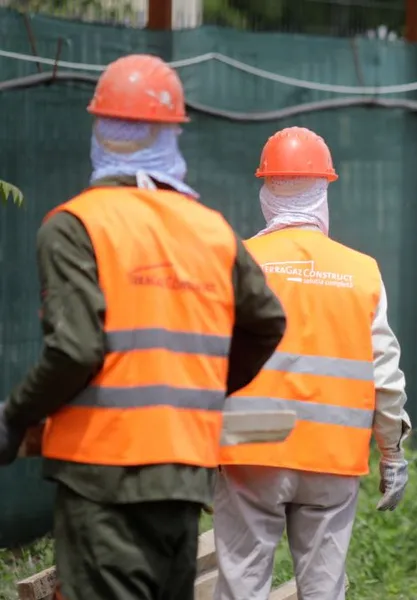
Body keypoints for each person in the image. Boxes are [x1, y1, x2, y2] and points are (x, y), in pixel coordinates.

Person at [0, 54, 287, 600]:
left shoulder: (75, 225)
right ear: (172, 135)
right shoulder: (211, 230)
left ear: (100, 130)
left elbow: (75, 349)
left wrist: (13, 418)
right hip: (182, 475)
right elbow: (267, 322)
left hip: (101, 480)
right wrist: (198, 388)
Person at [213, 126, 412, 600]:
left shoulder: (234, 261)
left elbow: (206, 362)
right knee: (324, 589)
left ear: (267, 192)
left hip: (250, 450)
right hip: (333, 453)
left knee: (242, 585)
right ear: (323, 191)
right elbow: (383, 372)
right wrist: (392, 452)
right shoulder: (360, 270)